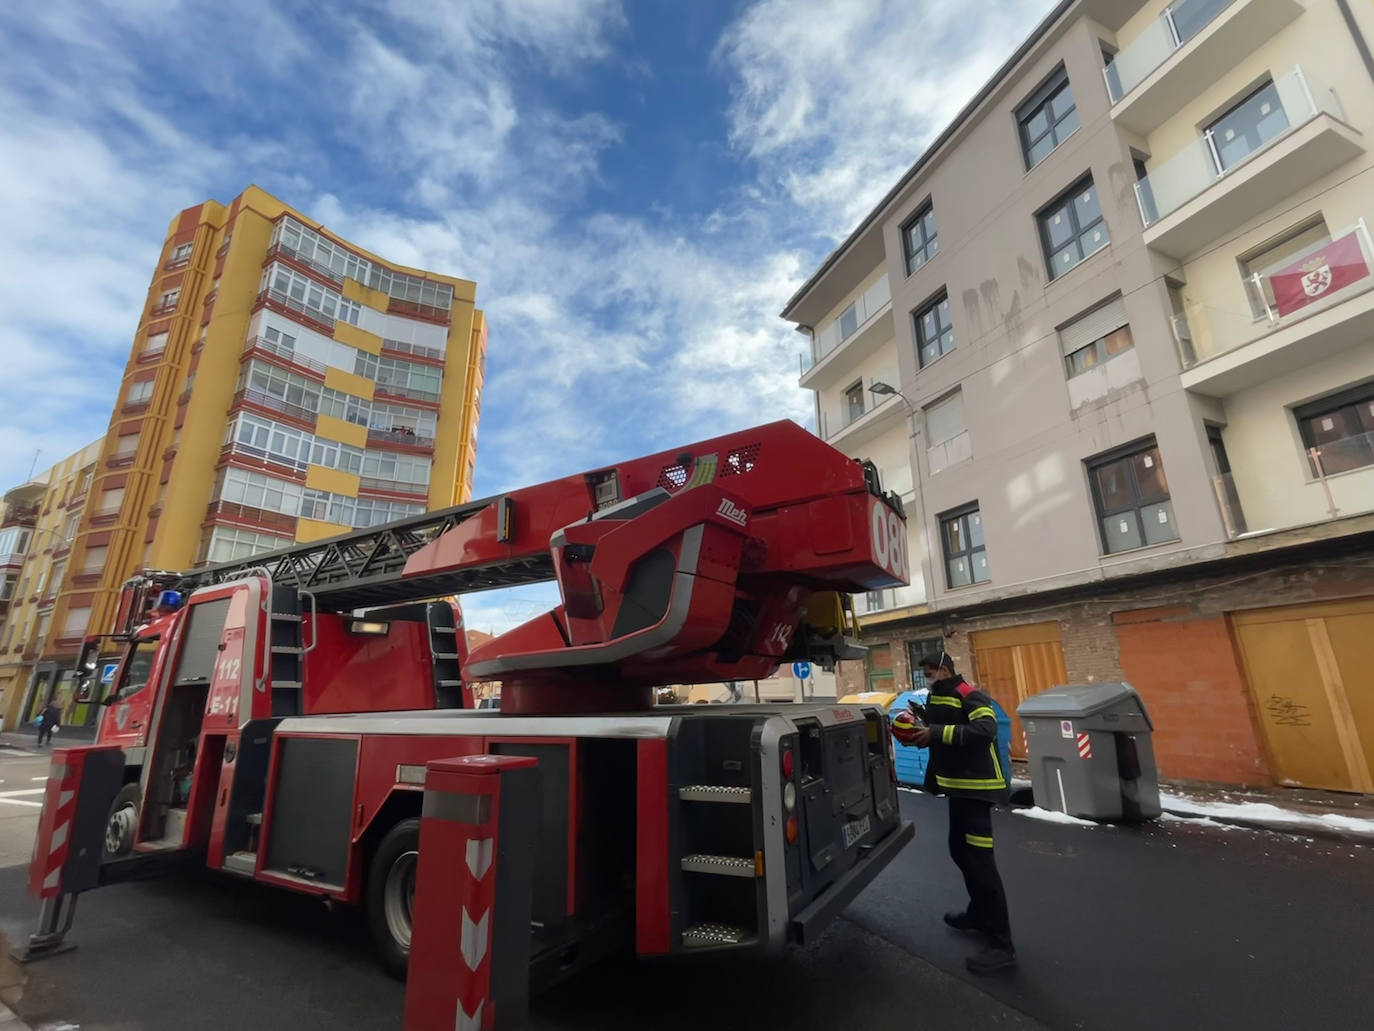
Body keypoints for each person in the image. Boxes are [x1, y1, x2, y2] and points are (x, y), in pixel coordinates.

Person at [894, 652, 1016, 974]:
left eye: (931, 672)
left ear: (946, 670)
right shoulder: (939, 697)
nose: (927, 678)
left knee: (981, 864)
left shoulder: (970, 695)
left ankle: (1002, 945)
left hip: (977, 791)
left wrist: (933, 733)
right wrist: (919, 727)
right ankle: (978, 915)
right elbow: (941, 728)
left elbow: (984, 730)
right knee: (960, 852)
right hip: (958, 790)